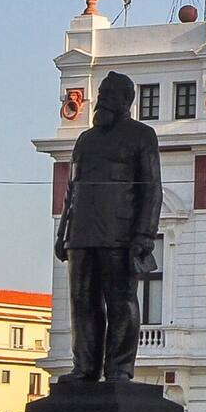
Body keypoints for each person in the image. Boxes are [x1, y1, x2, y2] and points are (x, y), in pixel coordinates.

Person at [53, 71, 162, 383]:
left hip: (120, 236)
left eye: (109, 94)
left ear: (126, 100)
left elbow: (152, 188)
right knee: (82, 303)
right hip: (81, 235)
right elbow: (71, 191)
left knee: (121, 303)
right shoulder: (85, 141)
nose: (101, 99)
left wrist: (144, 234)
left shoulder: (142, 136)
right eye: (100, 93)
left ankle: (119, 368)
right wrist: (63, 233)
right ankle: (84, 367)